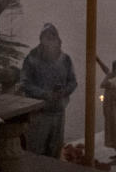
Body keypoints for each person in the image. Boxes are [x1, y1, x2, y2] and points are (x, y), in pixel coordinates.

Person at [21, 23, 77, 158]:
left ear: (58, 40)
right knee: (36, 151)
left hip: (59, 113)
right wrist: (44, 94)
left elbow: (73, 82)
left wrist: (63, 92)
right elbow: (25, 83)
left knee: (55, 150)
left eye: (52, 37)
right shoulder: (32, 59)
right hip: (39, 114)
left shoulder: (65, 59)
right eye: (46, 37)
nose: (49, 41)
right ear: (41, 39)